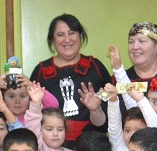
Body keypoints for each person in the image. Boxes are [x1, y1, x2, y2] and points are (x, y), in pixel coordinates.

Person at [30, 14, 111, 143]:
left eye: (72, 33)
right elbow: (31, 112)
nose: (67, 40)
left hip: (93, 146)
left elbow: (111, 98)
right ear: (52, 40)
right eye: (60, 34)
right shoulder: (40, 71)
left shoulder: (95, 66)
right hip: (51, 150)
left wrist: (97, 104)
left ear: (80, 36)